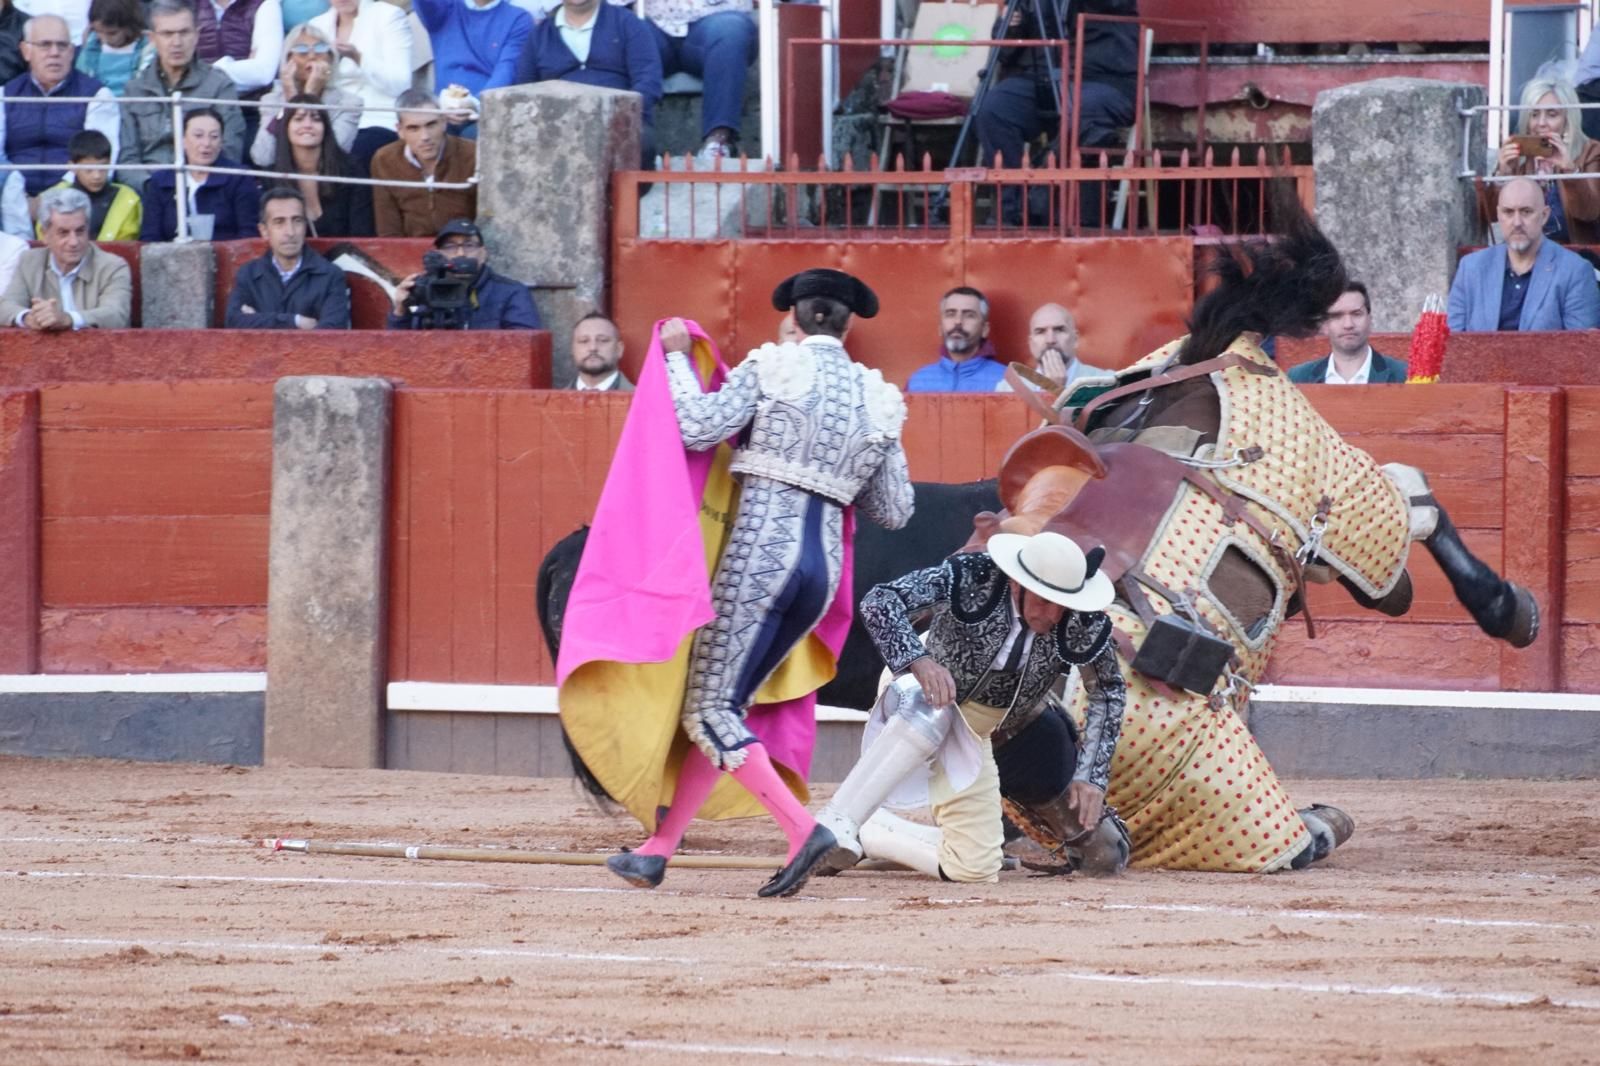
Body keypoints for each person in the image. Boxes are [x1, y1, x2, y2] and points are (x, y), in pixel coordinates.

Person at [583, 268, 914, 898]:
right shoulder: (880, 397)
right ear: (848, 325)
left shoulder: (773, 367)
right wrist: (840, 466)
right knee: (728, 706)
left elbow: (697, 428)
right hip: (821, 577)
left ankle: (803, 830)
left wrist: (679, 362)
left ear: (794, 317)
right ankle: (657, 850)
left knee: (708, 708)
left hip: (760, 560)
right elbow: (894, 511)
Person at [797, 530, 1128, 886]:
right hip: (923, 696)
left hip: (982, 730)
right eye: (1045, 601)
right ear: (1017, 584)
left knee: (976, 869)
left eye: (1063, 603)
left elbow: (1108, 690)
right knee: (934, 710)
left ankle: (875, 833)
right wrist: (918, 661)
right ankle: (844, 819)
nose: (1053, 614)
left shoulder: (1081, 621)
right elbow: (880, 602)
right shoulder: (973, 575)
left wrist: (1091, 773)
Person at [975, 0, 1138, 225]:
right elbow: (1004, 52)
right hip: (1042, 77)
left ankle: (1040, 194)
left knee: (1080, 109)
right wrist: (1010, 26)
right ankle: (1010, 210)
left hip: (1103, 79)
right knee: (996, 108)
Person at [512, 0, 660, 166]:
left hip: (619, 122)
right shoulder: (539, 35)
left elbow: (648, 80)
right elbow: (524, 90)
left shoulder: (628, 23)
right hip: (558, 124)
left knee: (638, 142)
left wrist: (619, 116)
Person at [119, 0, 245, 192]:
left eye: (184, 32)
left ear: (197, 35)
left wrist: (194, 185)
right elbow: (127, 159)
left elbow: (230, 150)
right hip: (150, 192)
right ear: (152, 38)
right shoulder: (135, 90)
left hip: (205, 191)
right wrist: (153, 189)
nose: (176, 42)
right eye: (167, 34)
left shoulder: (219, 85)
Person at [1448, 176, 1600, 332]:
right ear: (1499, 215)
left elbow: (1581, 350)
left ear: (1544, 216)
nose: (1517, 222)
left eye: (1526, 212)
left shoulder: (1575, 272)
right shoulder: (1471, 269)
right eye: (1508, 212)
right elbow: (1452, 343)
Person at [0, 14, 119, 198]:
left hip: (76, 198)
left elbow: (100, 164)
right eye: (45, 45)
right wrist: (19, 199)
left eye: (62, 45)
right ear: (26, 51)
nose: (54, 53)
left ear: (72, 52)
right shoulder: (5, 95)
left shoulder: (97, 96)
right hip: (12, 198)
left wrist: (54, 198)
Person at [1486, 75, 1600, 246]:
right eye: (1534, 114)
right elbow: (1490, 217)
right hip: (1524, 252)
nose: (1541, 123)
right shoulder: (1518, 155)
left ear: (1568, 120)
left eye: (1552, 115)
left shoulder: (1591, 151)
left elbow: (1589, 213)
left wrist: (1569, 170)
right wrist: (1502, 176)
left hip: (1573, 253)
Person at [0, 184, 131, 329]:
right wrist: (28, 317)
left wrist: (68, 319)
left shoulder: (113, 266)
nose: (74, 242)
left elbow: (117, 315)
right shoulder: (29, 261)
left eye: (80, 231)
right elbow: (5, 306)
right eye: (63, 233)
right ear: (45, 235)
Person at [224, 185, 352, 329]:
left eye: (297, 220)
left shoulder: (331, 275)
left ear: (305, 226)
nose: (290, 232)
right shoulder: (248, 274)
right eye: (279, 222)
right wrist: (295, 321)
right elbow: (234, 321)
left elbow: (333, 332)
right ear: (264, 231)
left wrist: (258, 320)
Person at [642, 0, 756, 161]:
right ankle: (635, 141)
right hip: (651, 20)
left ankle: (718, 142)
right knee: (622, 30)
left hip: (716, 18)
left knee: (731, 31)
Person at [308, 0, 413, 167]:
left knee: (354, 153)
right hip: (333, 118)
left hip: (376, 117)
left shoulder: (389, 15)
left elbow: (400, 83)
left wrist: (358, 57)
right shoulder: (317, 25)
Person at [386, 217, 540, 330]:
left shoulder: (510, 292)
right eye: (450, 247)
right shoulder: (426, 287)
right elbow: (398, 349)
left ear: (483, 253)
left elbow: (522, 346)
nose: (460, 253)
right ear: (439, 254)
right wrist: (400, 311)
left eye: (469, 245)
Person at [248, 23, 362, 167]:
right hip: (284, 182)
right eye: (302, 50)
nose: (312, 56)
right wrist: (290, 104)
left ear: (331, 59)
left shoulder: (349, 103)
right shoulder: (271, 101)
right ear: (289, 60)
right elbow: (263, 157)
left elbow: (334, 156)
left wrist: (310, 97)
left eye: (320, 48)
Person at [413, 0, 531, 138]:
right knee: (418, 131)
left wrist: (475, 104)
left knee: (472, 136)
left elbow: (506, 70)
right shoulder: (445, 8)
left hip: (487, 111)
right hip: (442, 107)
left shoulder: (518, 18)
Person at [139, 106, 259, 240]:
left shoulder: (239, 177)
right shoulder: (161, 181)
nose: (207, 143)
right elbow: (149, 236)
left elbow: (249, 235)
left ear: (221, 142)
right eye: (198, 135)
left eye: (214, 136)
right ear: (183, 140)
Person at [369, 88, 476, 236]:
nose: (425, 136)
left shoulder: (472, 153)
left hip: (464, 248)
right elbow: (388, 227)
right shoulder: (385, 159)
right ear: (400, 131)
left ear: (444, 122)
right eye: (414, 128)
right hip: (410, 251)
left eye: (431, 125)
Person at [267, 93, 372, 236]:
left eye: (316, 119)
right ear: (285, 128)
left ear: (326, 128)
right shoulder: (271, 177)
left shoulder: (351, 171)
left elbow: (362, 234)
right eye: (298, 119)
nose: (308, 125)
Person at [1288, 282, 1407, 385]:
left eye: (1356, 314)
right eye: (1337, 316)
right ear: (1324, 324)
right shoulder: (1298, 378)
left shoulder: (1404, 375)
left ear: (1370, 320)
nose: (1348, 324)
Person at [35, 128, 140, 240]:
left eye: (103, 168)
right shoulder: (52, 199)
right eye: (89, 169)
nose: (97, 176)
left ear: (110, 163)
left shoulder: (128, 198)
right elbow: (45, 239)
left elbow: (129, 241)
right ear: (72, 167)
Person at [906, 286, 1007, 392]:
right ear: (940, 327)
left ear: (985, 330)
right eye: (950, 314)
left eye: (969, 315)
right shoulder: (918, 381)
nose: (958, 321)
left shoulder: (1005, 383)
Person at [998, 302, 1109, 392]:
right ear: (1031, 344)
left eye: (1059, 330)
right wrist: (1049, 390)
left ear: (1075, 339)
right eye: (1040, 332)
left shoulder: (1105, 383)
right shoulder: (1008, 389)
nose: (1050, 340)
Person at [192, 0, 284, 99]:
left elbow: (263, 72)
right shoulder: (187, 3)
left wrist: (202, 75)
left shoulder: (265, 4)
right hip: (194, 104)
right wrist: (244, 68)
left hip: (249, 106)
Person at [74, 0, 153, 96]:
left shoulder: (147, 49)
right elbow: (81, 80)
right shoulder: (91, 47)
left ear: (129, 26)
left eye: (112, 33)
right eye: (98, 31)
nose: (104, 39)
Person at [569, 311, 633, 390]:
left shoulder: (645, 401)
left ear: (619, 349)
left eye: (603, 340)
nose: (593, 348)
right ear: (572, 349)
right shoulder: (552, 401)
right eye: (584, 341)